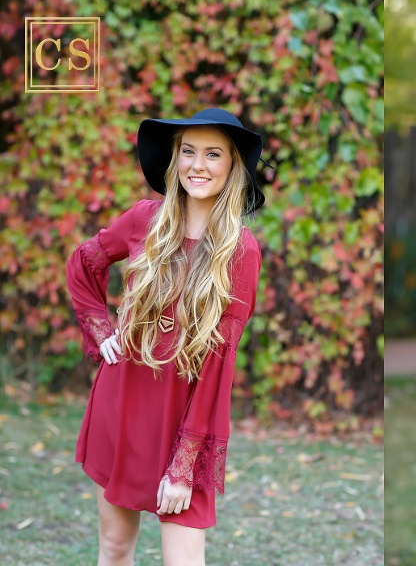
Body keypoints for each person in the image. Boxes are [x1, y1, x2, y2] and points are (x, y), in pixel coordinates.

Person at [66, 108, 268, 566]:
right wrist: (101, 330)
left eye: (213, 154)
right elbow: (84, 263)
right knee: (115, 548)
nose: (198, 165)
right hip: (121, 402)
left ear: (234, 166)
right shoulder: (145, 219)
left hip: (184, 422)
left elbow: (219, 369)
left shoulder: (240, 253)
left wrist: (183, 465)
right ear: (175, 159)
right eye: (188, 152)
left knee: (183, 560)